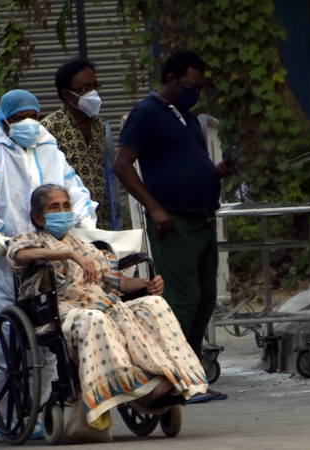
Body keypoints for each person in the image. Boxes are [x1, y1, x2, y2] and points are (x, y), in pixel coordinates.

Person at [8, 184, 208, 433]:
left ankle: (172, 376)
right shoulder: (30, 240)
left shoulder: (87, 247)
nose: (62, 211)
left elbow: (118, 282)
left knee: (153, 304)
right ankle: (142, 391)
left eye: (66, 206)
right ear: (39, 217)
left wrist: (147, 284)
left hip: (101, 306)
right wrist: (68, 254)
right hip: (59, 313)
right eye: (54, 207)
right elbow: (18, 256)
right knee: (96, 319)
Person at [0, 89, 98, 441]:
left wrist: (84, 224)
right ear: (4, 121)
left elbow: (76, 192)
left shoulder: (52, 152)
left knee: (47, 331)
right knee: (1, 336)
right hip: (0, 264)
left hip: (50, 258)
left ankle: (39, 411)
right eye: (19, 117)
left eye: (33, 115)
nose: (28, 123)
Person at [112, 49, 234, 402]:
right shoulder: (146, 113)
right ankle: (173, 378)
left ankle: (192, 373)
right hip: (174, 223)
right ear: (171, 80)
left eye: (200, 86)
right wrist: (154, 208)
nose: (197, 91)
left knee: (205, 299)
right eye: (191, 85)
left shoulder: (187, 116)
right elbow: (121, 164)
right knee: (182, 299)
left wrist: (217, 173)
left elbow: (186, 166)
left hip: (202, 219)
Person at [41, 57, 113, 229]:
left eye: (95, 86)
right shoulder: (49, 129)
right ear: (67, 94)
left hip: (103, 219)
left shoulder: (100, 126)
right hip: (69, 222)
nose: (93, 93)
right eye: (86, 88)